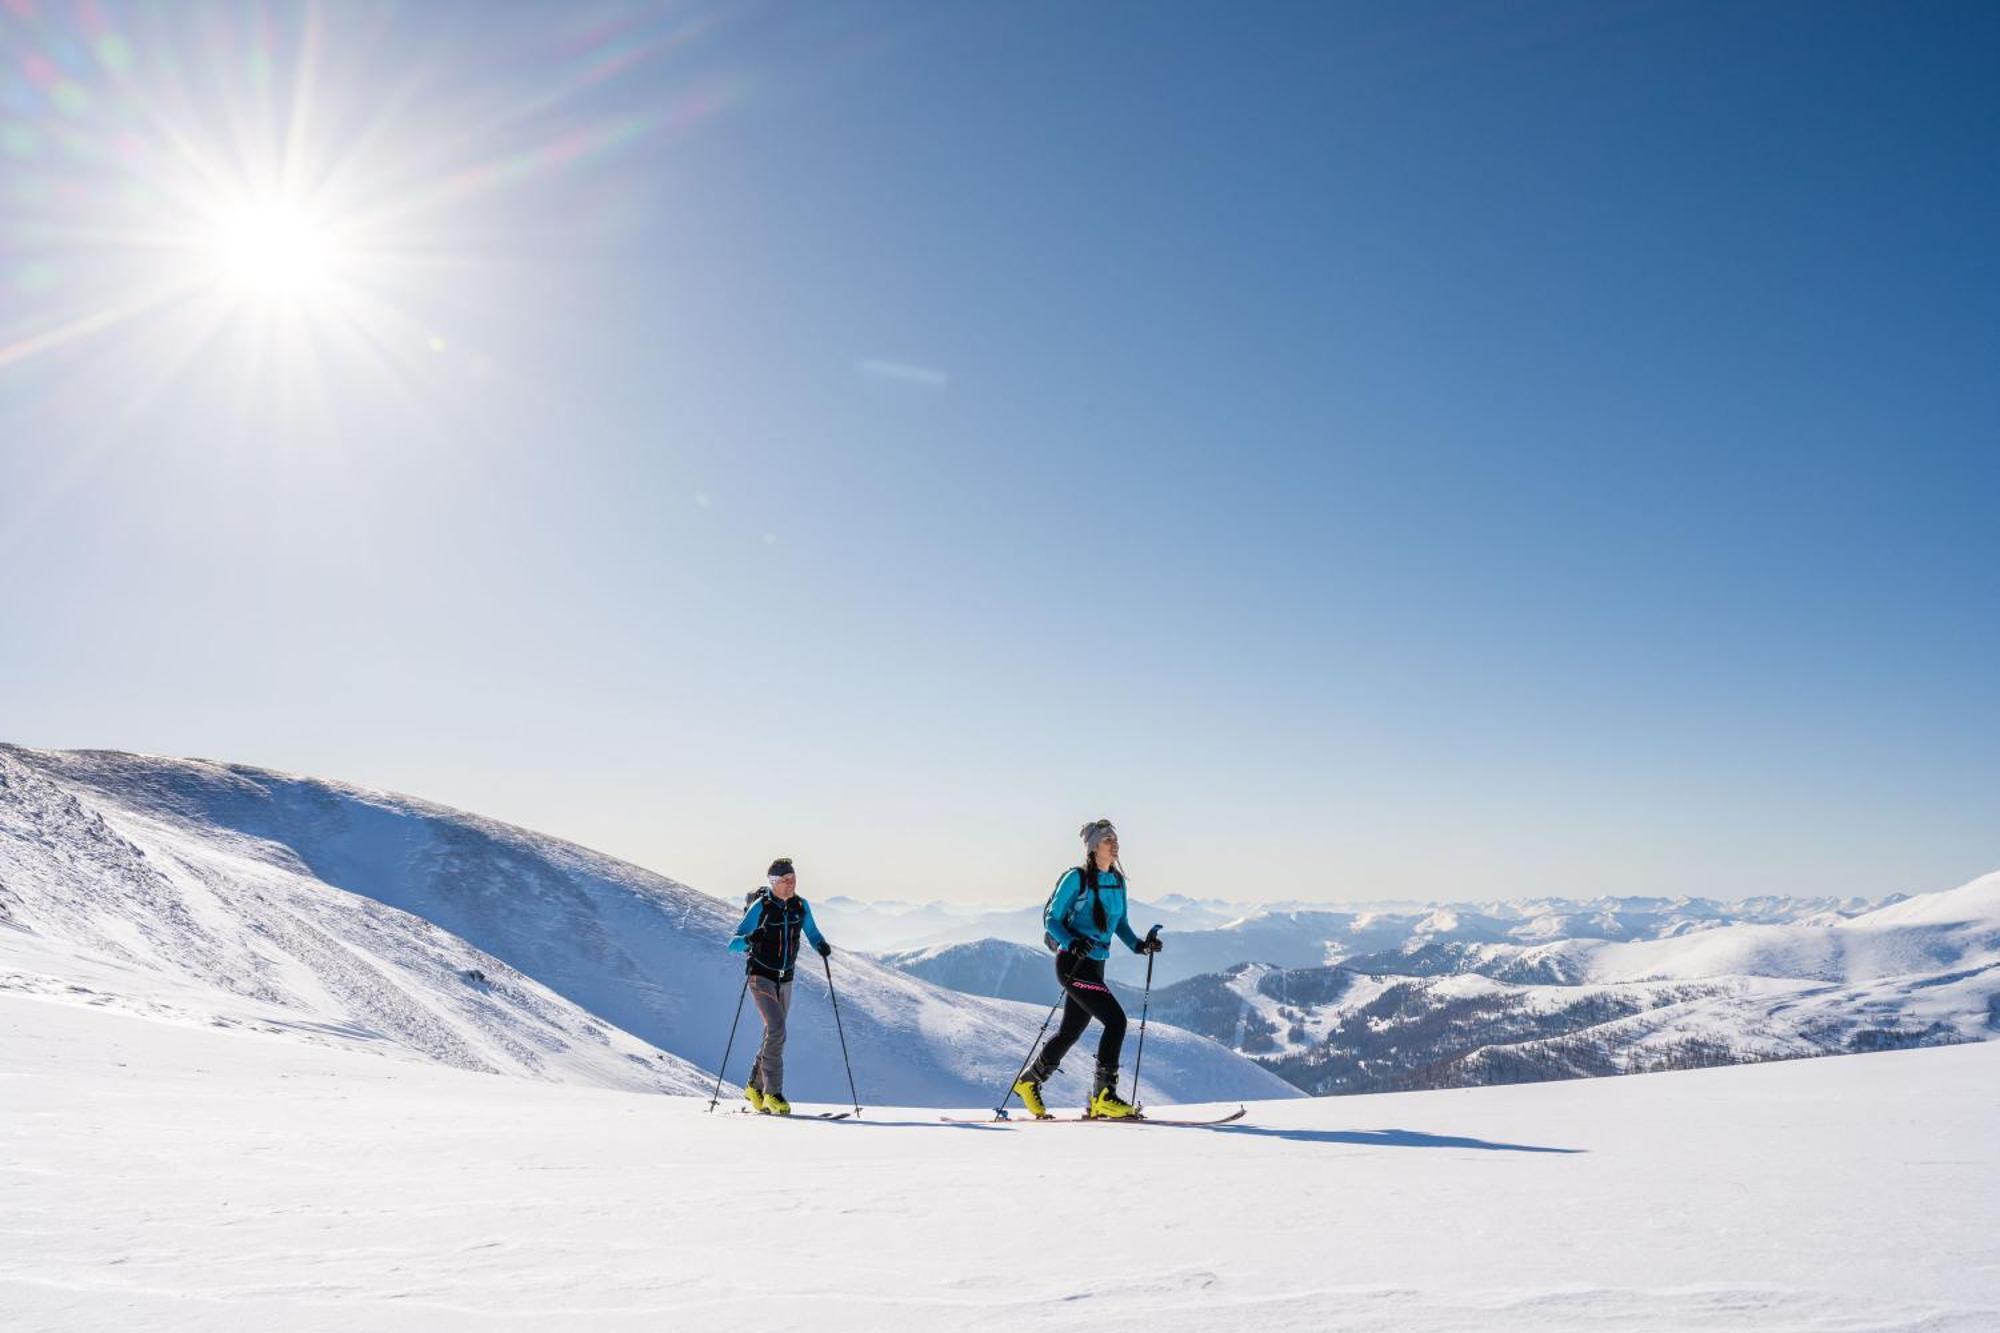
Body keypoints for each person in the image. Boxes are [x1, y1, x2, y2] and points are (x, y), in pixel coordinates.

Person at [1014, 819, 1163, 1119]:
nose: (1114, 844)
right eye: (1108, 840)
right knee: (1116, 1021)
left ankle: (1030, 1081)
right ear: (1094, 846)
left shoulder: (1117, 882)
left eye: (1115, 839)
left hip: (1095, 965)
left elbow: (1119, 924)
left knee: (1071, 1031)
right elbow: (1052, 920)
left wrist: (1140, 946)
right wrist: (1071, 941)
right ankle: (1104, 1095)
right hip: (1073, 964)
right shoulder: (1076, 878)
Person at [727, 857, 831, 1115]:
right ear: (773, 882)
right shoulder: (762, 907)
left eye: (793, 878)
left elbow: (813, 932)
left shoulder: (800, 905)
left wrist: (821, 945)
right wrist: (751, 938)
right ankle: (773, 1093)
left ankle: (754, 1085)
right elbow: (733, 945)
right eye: (785, 880)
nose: (791, 883)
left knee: (773, 1034)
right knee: (777, 1028)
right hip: (760, 976)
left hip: (786, 978)